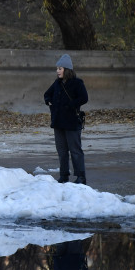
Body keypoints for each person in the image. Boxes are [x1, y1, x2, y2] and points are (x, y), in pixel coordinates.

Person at [44, 54, 89, 184]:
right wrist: (50, 102)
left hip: (72, 122)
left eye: (60, 68)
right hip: (58, 122)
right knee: (62, 150)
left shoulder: (77, 83)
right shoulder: (57, 83)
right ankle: (64, 175)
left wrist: (70, 105)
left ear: (67, 69)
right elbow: (47, 94)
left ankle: (81, 177)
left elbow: (84, 98)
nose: (57, 71)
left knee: (75, 150)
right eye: (57, 68)